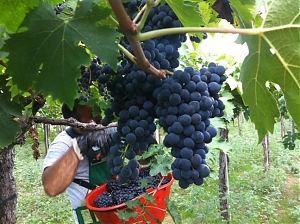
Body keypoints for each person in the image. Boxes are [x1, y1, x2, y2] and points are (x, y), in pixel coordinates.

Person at [42, 100, 116, 223]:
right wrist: (80, 146)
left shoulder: (109, 130)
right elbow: (52, 187)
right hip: (93, 217)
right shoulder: (63, 143)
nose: (99, 117)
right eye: (91, 116)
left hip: (123, 206)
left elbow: (145, 159)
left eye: (98, 111)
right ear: (76, 124)